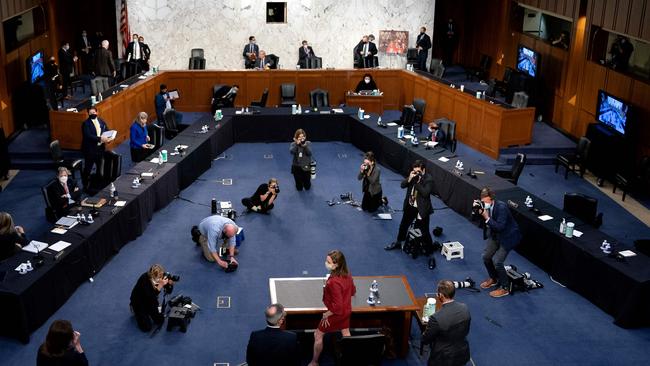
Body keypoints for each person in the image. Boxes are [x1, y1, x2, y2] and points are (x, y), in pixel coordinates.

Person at [309, 250, 356, 366]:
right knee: (345, 332)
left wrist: (327, 314)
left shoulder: (333, 282)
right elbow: (353, 291)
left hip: (336, 314)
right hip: (347, 311)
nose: (326, 263)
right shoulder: (347, 273)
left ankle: (314, 362)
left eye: (329, 262)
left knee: (318, 334)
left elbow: (338, 307)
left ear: (337, 264)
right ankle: (349, 360)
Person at [477, 187, 522, 298]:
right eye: (483, 200)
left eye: (486, 200)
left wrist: (486, 217)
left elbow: (500, 227)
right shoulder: (484, 205)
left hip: (508, 237)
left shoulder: (501, 207)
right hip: (495, 235)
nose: (484, 202)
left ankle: (505, 288)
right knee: (486, 256)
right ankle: (494, 278)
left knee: (497, 261)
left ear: (491, 199)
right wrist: (478, 210)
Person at [385, 160, 435, 259]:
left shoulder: (429, 179)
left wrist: (417, 182)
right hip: (410, 206)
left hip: (421, 208)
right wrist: (410, 177)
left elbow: (425, 193)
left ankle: (430, 254)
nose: (416, 173)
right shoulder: (413, 177)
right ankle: (399, 242)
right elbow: (402, 185)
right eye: (414, 171)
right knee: (403, 225)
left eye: (418, 171)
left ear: (423, 170)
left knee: (424, 231)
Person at [421, 280, 471, 366]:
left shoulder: (436, 318)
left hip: (442, 358)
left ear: (440, 295)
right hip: (462, 353)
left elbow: (426, 339)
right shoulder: (465, 308)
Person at [129, 264, 170, 332]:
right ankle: (133, 308)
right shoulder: (144, 280)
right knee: (146, 328)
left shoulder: (161, 276)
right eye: (159, 277)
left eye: (161, 276)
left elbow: (168, 290)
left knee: (160, 320)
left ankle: (148, 312)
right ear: (152, 276)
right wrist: (160, 286)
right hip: (139, 301)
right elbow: (151, 297)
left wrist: (170, 284)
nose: (161, 279)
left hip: (151, 299)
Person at [80, 106, 111, 189]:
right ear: (88, 114)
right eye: (90, 113)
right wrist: (100, 138)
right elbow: (88, 136)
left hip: (100, 149)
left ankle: (97, 184)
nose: (92, 114)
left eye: (93, 113)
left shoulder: (101, 121)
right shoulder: (86, 124)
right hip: (90, 150)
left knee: (100, 167)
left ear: (97, 112)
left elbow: (107, 130)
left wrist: (109, 138)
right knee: (88, 168)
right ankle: (85, 184)